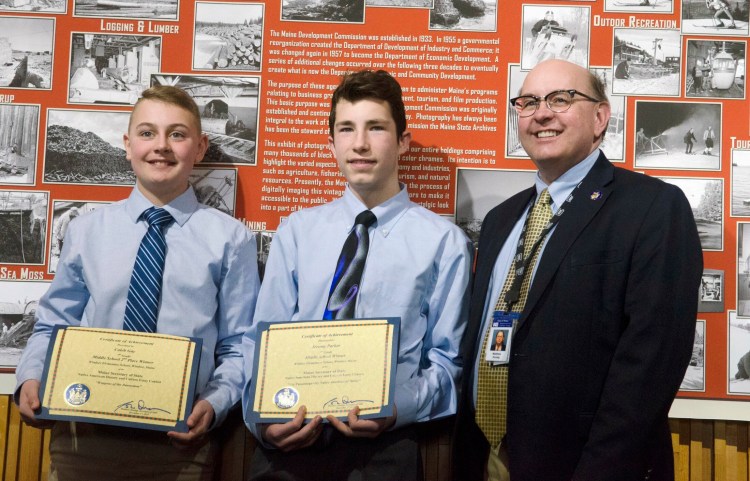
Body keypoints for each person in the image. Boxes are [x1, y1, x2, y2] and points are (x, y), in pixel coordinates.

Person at [452, 59, 703, 481]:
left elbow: (649, 367)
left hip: (584, 467)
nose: (542, 113)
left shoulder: (653, 208)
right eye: (528, 102)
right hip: (489, 460)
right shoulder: (500, 220)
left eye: (561, 99)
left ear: (601, 117)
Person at [15, 85, 260, 480]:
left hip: (179, 447)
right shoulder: (87, 230)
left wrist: (215, 403)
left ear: (199, 148)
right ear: (128, 145)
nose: (161, 146)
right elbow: (53, 323)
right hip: (82, 438)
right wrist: (31, 376)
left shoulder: (232, 240)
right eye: (147, 133)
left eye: (177, 135)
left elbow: (238, 345)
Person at [241, 69, 472, 481]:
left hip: (385, 449)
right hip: (289, 440)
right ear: (331, 143)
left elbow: (447, 360)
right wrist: (261, 421)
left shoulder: (444, 242)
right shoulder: (296, 231)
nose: (360, 143)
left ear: (402, 141)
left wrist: (398, 408)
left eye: (376, 127)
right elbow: (261, 339)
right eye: (346, 129)